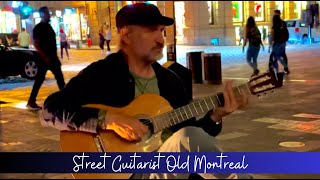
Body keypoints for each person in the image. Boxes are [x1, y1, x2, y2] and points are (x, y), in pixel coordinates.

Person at [40, 3, 250, 179]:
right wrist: (109, 119)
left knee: (189, 135)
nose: (160, 39)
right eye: (151, 30)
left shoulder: (171, 81)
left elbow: (190, 134)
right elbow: (50, 111)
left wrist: (215, 115)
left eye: (162, 31)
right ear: (126, 35)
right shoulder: (102, 74)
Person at [27, 6, 65, 110]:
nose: (49, 15)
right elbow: (36, 44)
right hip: (45, 59)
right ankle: (31, 100)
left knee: (58, 78)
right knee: (42, 79)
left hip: (52, 57)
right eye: (47, 13)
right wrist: (44, 56)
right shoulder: (38, 28)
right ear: (42, 15)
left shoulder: (49, 26)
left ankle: (66, 98)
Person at [269, 10, 290, 74]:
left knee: (275, 56)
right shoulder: (283, 22)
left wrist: (270, 44)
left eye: (274, 14)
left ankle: (274, 69)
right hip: (283, 42)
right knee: (282, 55)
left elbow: (272, 35)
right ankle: (284, 68)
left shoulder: (274, 25)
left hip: (277, 43)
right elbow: (286, 31)